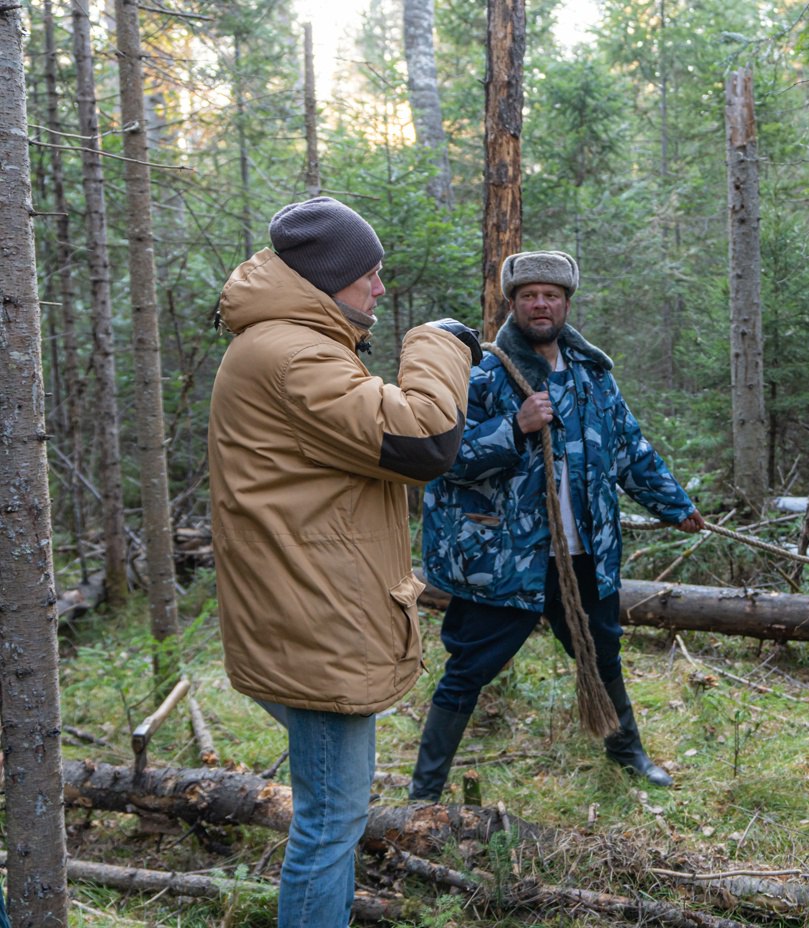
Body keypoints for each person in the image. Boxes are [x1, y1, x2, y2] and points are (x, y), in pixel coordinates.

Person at [208, 196, 479, 927]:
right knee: (331, 822)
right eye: (370, 274)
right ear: (329, 278)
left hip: (304, 611)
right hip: (314, 622)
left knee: (332, 814)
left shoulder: (287, 344)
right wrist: (437, 344)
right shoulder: (293, 354)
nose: (380, 289)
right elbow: (423, 439)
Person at [411, 250, 705, 802]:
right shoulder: (483, 374)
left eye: (551, 295)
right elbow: (442, 457)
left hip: (583, 553)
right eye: (529, 296)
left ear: (567, 303)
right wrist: (515, 427)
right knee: (468, 668)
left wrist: (675, 505)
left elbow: (629, 449)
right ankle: (424, 793)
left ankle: (627, 752)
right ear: (513, 304)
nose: (540, 304)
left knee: (601, 653)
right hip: (504, 560)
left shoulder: (593, 375)